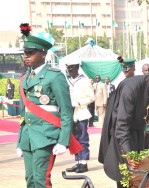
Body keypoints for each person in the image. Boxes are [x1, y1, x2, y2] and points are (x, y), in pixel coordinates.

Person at [98, 63, 149, 188]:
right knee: (126, 176)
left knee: (142, 175)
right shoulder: (131, 88)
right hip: (122, 135)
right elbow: (122, 125)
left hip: (141, 133)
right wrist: (129, 154)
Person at [17, 24, 73, 187]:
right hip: (28, 137)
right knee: (30, 179)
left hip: (46, 136)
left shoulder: (54, 77)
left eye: (30, 53)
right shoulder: (24, 78)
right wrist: (20, 141)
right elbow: (24, 113)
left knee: (42, 180)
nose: (26, 57)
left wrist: (63, 140)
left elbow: (66, 111)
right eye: (25, 53)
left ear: (43, 53)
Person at [65, 61, 95, 173]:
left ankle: (83, 163)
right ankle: (78, 161)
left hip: (80, 111)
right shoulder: (68, 81)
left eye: (71, 69)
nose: (70, 71)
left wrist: (78, 102)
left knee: (83, 138)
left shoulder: (84, 81)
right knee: (75, 139)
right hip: (70, 113)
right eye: (68, 69)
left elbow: (91, 97)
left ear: (77, 68)